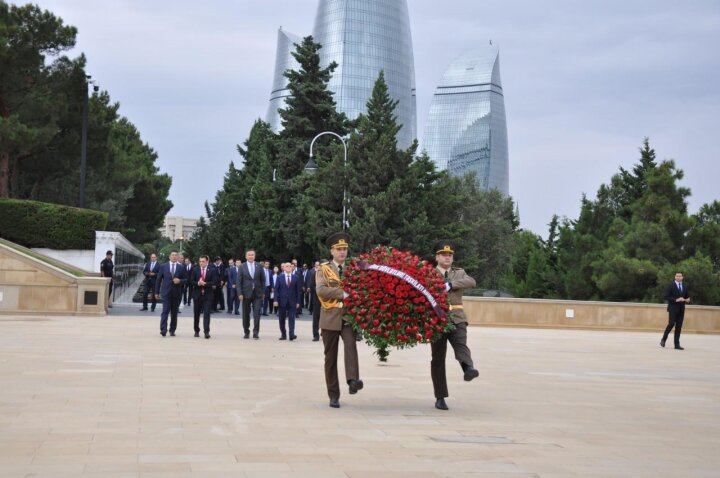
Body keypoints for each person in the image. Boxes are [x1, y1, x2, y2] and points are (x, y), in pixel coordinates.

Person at [430, 240, 479, 411]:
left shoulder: (459, 273)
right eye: (444, 254)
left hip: (457, 317)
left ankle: (468, 368)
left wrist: (451, 284)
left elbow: (471, 282)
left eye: (450, 255)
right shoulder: (428, 273)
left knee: (460, 344)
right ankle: (440, 396)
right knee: (438, 358)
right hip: (436, 319)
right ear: (437, 257)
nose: (447, 257)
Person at [317, 232, 363, 408]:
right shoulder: (324, 269)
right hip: (329, 317)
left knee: (351, 345)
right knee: (330, 358)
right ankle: (333, 394)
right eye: (339, 249)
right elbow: (320, 290)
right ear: (332, 251)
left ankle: (352, 380)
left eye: (344, 249)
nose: (342, 252)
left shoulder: (353, 268)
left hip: (348, 316)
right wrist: (341, 293)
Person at [154, 250, 188, 337]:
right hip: (166, 293)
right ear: (169, 256)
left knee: (174, 313)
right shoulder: (163, 266)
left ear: (177, 257)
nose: (174, 257)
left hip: (176, 293)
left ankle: (172, 330)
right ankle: (163, 329)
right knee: (165, 311)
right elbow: (158, 279)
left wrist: (180, 281)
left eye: (176, 255)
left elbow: (186, 280)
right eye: (172, 255)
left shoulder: (181, 267)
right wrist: (156, 292)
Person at [237, 248, 265, 339]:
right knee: (246, 314)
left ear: (254, 256)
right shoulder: (242, 266)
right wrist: (240, 293)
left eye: (252, 255)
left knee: (257, 313)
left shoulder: (259, 266)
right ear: (246, 256)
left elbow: (263, 280)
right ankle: (246, 331)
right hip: (245, 294)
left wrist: (263, 292)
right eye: (249, 255)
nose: (251, 256)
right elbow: (238, 281)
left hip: (257, 294)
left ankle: (256, 332)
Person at [190, 255, 219, 339]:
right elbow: (191, 281)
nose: (201, 263)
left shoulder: (212, 270)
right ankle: (196, 330)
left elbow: (215, 282)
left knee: (206, 314)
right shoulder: (195, 270)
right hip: (197, 295)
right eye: (200, 261)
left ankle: (206, 332)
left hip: (208, 295)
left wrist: (205, 283)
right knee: (196, 314)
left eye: (203, 261)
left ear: (207, 262)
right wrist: (198, 283)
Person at [661, 271, 690, 350]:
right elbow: (666, 296)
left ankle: (677, 345)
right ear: (675, 277)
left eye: (680, 276)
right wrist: (676, 299)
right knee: (671, 324)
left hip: (681, 309)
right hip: (673, 308)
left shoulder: (685, 286)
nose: (678, 277)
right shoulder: (671, 285)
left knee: (679, 327)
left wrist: (687, 300)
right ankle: (663, 339)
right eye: (677, 276)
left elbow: (687, 297)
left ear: (682, 277)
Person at [274, 262, 302, 341]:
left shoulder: (296, 277)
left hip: (292, 302)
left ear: (292, 268)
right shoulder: (280, 277)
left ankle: (291, 335)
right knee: (281, 319)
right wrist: (275, 300)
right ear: (284, 268)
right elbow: (276, 290)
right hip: (281, 301)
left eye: (290, 266)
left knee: (292, 318)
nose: (289, 267)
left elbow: (298, 291)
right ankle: (283, 334)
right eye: (287, 266)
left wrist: (298, 302)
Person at [307, 260, 322, 341]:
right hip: (316, 299)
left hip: (326, 300)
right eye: (319, 266)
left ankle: (324, 333)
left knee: (325, 318)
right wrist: (319, 290)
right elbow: (311, 285)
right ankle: (315, 335)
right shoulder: (314, 274)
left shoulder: (327, 274)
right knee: (316, 317)